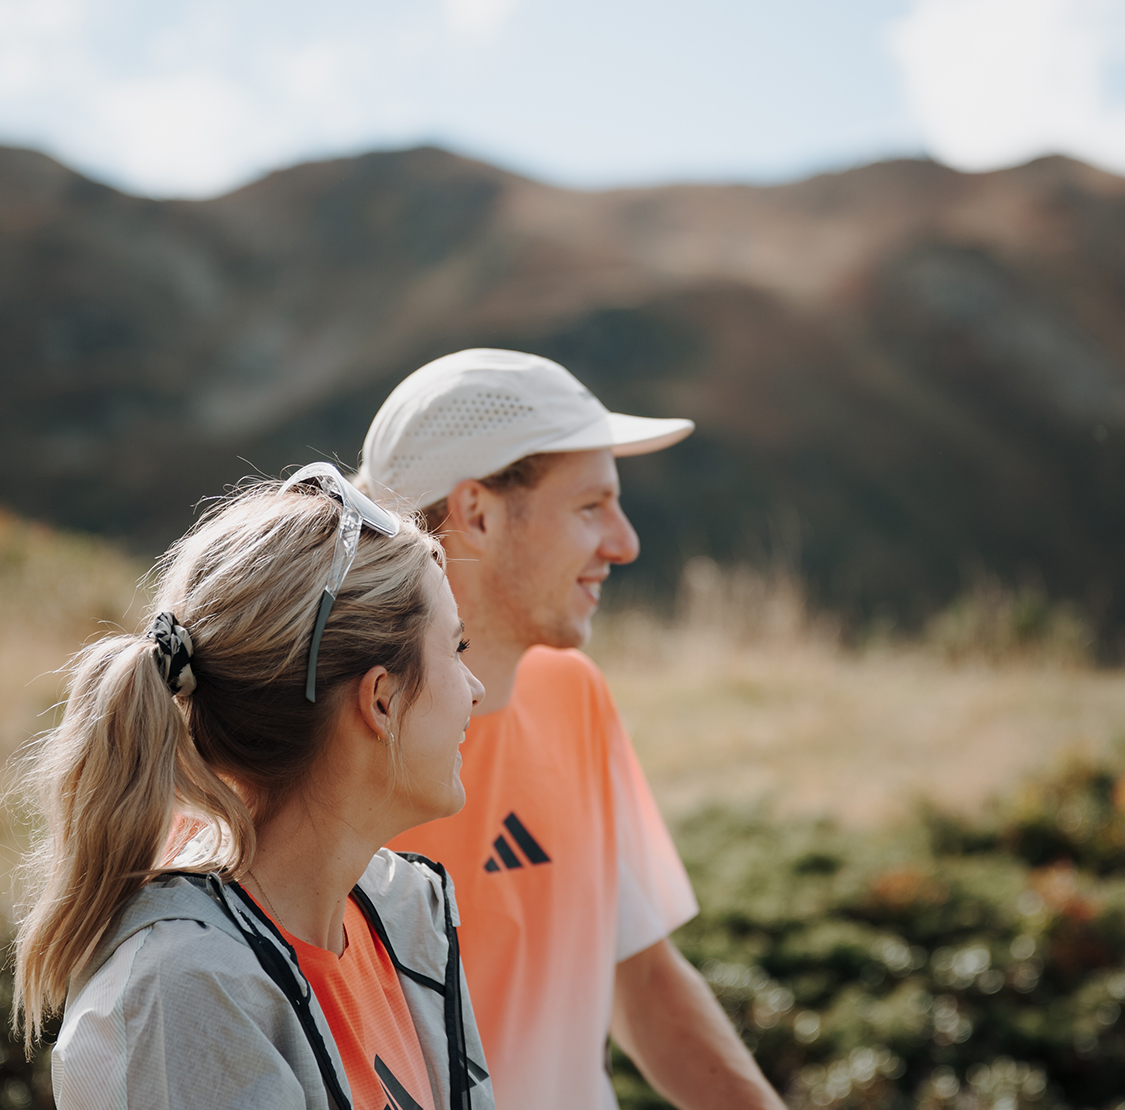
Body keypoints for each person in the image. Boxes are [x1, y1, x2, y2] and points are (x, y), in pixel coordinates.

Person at [355, 349, 786, 1110]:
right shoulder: (319, 749)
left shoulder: (570, 691)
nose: (624, 543)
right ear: (477, 515)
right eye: (591, 507)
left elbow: (642, 977)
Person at [13, 462, 494, 1110]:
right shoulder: (180, 993)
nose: (474, 689)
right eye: (456, 650)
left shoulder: (405, 916)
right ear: (380, 700)